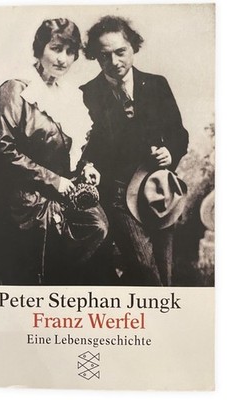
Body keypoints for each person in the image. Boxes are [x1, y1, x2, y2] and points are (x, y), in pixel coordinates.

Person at [0, 18, 108, 285]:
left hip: (61, 193)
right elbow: (3, 150)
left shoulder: (70, 95)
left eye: (70, 52)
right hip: (22, 198)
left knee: (97, 227)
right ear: (40, 48)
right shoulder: (15, 90)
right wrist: (54, 181)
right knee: (35, 272)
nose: (62, 59)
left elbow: (73, 146)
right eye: (56, 48)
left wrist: (86, 166)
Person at [79, 16, 189, 286]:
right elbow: (85, 145)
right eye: (104, 56)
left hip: (159, 190)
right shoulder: (86, 94)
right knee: (145, 270)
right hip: (117, 194)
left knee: (164, 273)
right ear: (95, 56)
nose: (114, 61)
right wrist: (88, 164)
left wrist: (170, 152)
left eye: (120, 52)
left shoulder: (157, 84)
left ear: (133, 47)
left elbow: (178, 133)